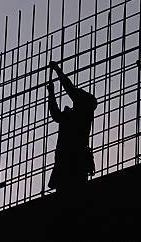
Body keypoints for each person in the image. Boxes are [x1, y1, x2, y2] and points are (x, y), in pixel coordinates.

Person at [46, 61, 97, 192]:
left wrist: (57, 71)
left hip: (71, 159)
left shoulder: (82, 115)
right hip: (70, 159)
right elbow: (57, 115)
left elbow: (70, 89)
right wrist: (51, 93)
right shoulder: (78, 115)